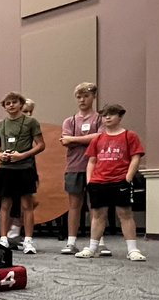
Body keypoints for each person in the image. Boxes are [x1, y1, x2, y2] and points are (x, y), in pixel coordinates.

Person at [74, 105, 146, 261]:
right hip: (98, 182)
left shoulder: (129, 136)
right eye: (104, 115)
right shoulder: (98, 139)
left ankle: (132, 250)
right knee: (98, 215)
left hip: (120, 181)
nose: (107, 117)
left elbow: (136, 157)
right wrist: (90, 181)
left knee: (125, 214)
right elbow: (92, 161)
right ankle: (93, 247)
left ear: (120, 117)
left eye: (111, 114)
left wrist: (128, 177)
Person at [0, 92, 44, 254]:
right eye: (8, 103)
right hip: (5, 169)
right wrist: (0, 155)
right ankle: (4, 239)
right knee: (5, 204)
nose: (11, 105)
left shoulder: (31, 122)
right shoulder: (0, 124)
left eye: (14, 102)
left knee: (27, 205)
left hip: (25, 168)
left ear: (21, 104)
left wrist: (23, 155)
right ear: (4, 106)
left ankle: (28, 241)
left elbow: (41, 145)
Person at [59, 82, 104, 255]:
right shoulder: (69, 121)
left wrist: (74, 139)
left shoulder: (99, 119)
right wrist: (85, 139)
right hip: (74, 167)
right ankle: (71, 242)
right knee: (74, 205)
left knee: (97, 206)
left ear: (93, 97)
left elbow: (100, 137)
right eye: (79, 97)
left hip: (97, 167)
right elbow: (65, 140)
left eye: (86, 96)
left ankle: (98, 243)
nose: (82, 100)